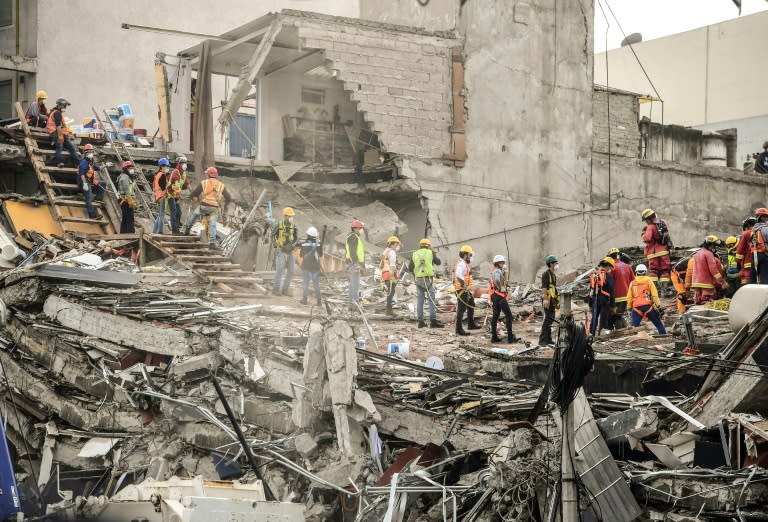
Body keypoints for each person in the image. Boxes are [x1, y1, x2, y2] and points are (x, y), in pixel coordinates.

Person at [182, 166, 232, 249]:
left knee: (194, 215)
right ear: (216, 175)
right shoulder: (221, 185)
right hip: (214, 208)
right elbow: (228, 197)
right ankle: (212, 242)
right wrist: (226, 206)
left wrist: (194, 198)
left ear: (208, 174)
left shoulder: (204, 182)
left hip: (204, 205)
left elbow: (194, 193)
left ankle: (187, 229)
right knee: (212, 224)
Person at [408, 238, 443, 328]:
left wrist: (414, 277)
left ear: (420, 245)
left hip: (418, 279)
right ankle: (433, 321)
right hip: (428, 280)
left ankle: (420, 322)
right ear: (428, 245)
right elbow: (438, 262)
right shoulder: (430, 252)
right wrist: (433, 251)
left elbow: (410, 268)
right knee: (431, 300)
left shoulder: (414, 254)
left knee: (420, 301)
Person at [627, 264, 666, 334]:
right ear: (645, 272)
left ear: (636, 272)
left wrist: (629, 308)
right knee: (659, 324)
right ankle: (663, 336)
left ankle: (636, 341)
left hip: (636, 308)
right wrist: (658, 305)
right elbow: (654, 295)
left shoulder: (632, 283)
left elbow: (629, 297)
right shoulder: (649, 281)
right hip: (648, 307)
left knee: (634, 328)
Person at [641, 208, 673, 296]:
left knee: (653, 271)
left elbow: (647, 238)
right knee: (665, 271)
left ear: (649, 218)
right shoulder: (663, 223)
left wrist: (643, 234)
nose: (646, 222)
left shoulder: (650, 227)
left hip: (653, 253)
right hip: (664, 252)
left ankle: (653, 291)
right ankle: (664, 291)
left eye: (646, 220)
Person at [489, 255, 519, 343]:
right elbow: (497, 281)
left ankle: (494, 337)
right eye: (501, 262)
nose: (503, 264)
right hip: (499, 296)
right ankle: (510, 338)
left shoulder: (495, 271)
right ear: (498, 263)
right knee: (508, 315)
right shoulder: (497, 271)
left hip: (494, 296)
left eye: (503, 262)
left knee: (495, 316)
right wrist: (500, 287)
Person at [692, 235, 728, 304]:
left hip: (696, 282)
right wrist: (722, 282)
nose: (714, 248)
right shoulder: (708, 254)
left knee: (698, 302)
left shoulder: (697, 253)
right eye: (714, 246)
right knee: (707, 302)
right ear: (710, 245)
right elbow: (714, 270)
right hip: (706, 283)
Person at [271, 207, 298, 296]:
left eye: (292, 216)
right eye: (290, 216)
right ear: (285, 216)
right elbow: (272, 236)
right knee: (280, 267)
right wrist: (275, 244)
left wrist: (292, 246)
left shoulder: (294, 226)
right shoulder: (278, 225)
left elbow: (296, 239)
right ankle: (276, 288)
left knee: (291, 269)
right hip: (281, 249)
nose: (291, 218)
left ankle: (285, 289)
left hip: (290, 250)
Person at [454, 245, 479, 336]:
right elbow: (458, 274)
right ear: (465, 255)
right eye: (470, 255)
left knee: (471, 304)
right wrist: (463, 284)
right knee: (461, 310)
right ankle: (459, 329)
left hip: (466, 290)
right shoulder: (462, 264)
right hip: (462, 290)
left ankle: (471, 324)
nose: (471, 257)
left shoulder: (464, 264)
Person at [46, 98, 79, 167]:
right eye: (65, 105)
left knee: (72, 148)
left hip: (63, 134)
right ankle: (59, 162)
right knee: (59, 148)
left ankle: (78, 163)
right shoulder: (57, 113)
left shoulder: (57, 112)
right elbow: (58, 126)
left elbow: (61, 126)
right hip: (57, 133)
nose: (65, 107)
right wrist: (60, 136)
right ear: (60, 105)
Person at [77, 144, 106, 219]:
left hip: (90, 181)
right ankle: (92, 215)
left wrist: (106, 165)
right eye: (89, 152)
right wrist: (85, 184)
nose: (90, 153)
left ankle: (98, 199)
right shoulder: (84, 162)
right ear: (85, 153)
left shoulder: (91, 162)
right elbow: (82, 174)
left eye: (91, 152)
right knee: (88, 198)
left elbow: (98, 168)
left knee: (103, 183)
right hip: (84, 182)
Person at [607, 247, 634, 329]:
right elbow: (633, 281)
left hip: (616, 298)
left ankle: (620, 332)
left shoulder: (611, 268)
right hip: (627, 297)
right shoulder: (627, 266)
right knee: (620, 315)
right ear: (618, 255)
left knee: (615, 316)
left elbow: (608, 283)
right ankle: (624, 330)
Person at [589, 257, 615, 336]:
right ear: (607, 266)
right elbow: (611, 291)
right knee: (603, 318)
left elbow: (591, 290)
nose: (610, 269)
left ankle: (591, 334)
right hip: (604, 300)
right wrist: (613, 305)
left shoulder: (594, 275)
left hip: (595, 299)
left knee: (594, 318)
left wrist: (590, 303)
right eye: (610, 267)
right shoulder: (608, 276)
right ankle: (601, 336)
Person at [298, 226, 323, 306]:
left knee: (305, 283)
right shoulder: (318, 244)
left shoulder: (304, 244)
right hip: (315, 268)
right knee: (316, 284)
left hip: (306, 267)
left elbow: (301, 255)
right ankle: (319, 301)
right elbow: (321, 254)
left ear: (308, 235)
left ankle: (304, 300)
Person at [539, 255, 559, 346]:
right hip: (548, 299)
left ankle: (548, 339)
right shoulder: (546, 274)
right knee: (547, 320)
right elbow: (544, 287)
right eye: (555, 263)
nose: (556, 265)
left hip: (552, 300)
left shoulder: (553, 274)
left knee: (550, 319)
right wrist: (545, 299)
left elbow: (553, 288)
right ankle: (543, 340)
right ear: (550, 264)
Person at [345, 219, 365, 308]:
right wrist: (357, 264)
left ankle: (352, 302)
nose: (360, 230)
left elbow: (358, 252)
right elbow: (353, 252)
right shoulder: (353, 237)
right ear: (355, 228)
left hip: (354, 263)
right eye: (360, 228)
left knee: (354, 283)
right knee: (355, 283)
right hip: (354, 263)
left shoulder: (354, 237)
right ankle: (354, 303)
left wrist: (362, 264)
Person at [380, 236, 400, 315]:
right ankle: (389, 310)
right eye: (396, 244)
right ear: (392, 244)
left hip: (385, 273)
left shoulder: (385, 251)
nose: (397, 246)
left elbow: (382, 263)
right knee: (391, 292)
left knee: (389, 291)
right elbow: (392, 265)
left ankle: (388, 309)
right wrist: (392, 275)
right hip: (390, 273)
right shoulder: (392, 252)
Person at [169, 155, 189, 234]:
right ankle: (174, 230)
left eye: (185, 163)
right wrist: (178, 195)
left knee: (179, 212)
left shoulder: (183, 173)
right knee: (174, 211)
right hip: (170, 194)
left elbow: (187, 184)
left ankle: (176, 228)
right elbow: (176, 184)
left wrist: (193, 193)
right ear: (179, 164)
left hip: (176, 195)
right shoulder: (175, 172)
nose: (185, 164)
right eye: (183, 163)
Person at [152, 158, 171, 234]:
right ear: (162, 166)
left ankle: (154, 231)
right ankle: (160, 231)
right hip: (162, 196)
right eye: (167, 166)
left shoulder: (157, 174)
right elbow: (163, 188)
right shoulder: (162, 176)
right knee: (161, 215)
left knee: (159, 215)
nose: (168, 168)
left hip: (158, 196)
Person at [117, 160, 137, 233]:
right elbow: (126, 189)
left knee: (125, 218)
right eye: (130, 168)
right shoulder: (125, 177)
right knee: (130, 218)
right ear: (125, 169)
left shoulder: (126, 176)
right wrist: (130, 200)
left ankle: (123, 233)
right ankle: (131, 233)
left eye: (132, 168)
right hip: (125, 200)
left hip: (126, 199)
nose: (132, 170)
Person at [736, 217, 756, 286]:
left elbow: (740, 251)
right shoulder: (761, 232)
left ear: (746, 226)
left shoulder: (746, 233)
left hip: (747, 264)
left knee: (747, 283)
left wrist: (737, 262)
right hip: (761, 264)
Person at [751, 208, 768, 284]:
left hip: (754, 256)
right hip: (764, 255)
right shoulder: (765, 229)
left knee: (753, 279)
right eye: (766, 217)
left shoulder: (753, 230)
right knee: (764, 279)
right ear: (762, 217)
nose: (766, 219)